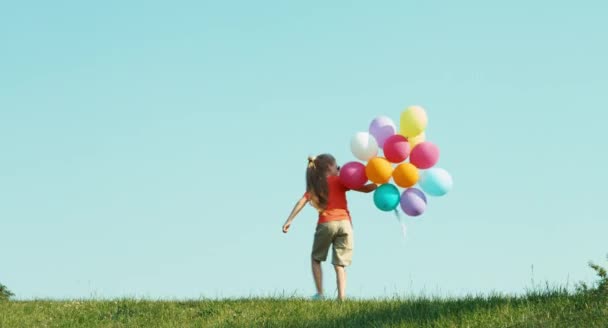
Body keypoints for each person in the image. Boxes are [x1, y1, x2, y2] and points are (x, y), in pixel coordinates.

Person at [282, 154, 377, 301]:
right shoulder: (341, 180)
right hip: (345, 224)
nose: (339, 170)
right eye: (337, 167)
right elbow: (365, 189)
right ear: (329, 167)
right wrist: (380, 181)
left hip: (326, 223)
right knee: (340, 265)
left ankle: (320, 294)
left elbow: (302, 201)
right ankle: (341, 298)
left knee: (316, 259)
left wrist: (289, 220)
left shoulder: (316, 185)